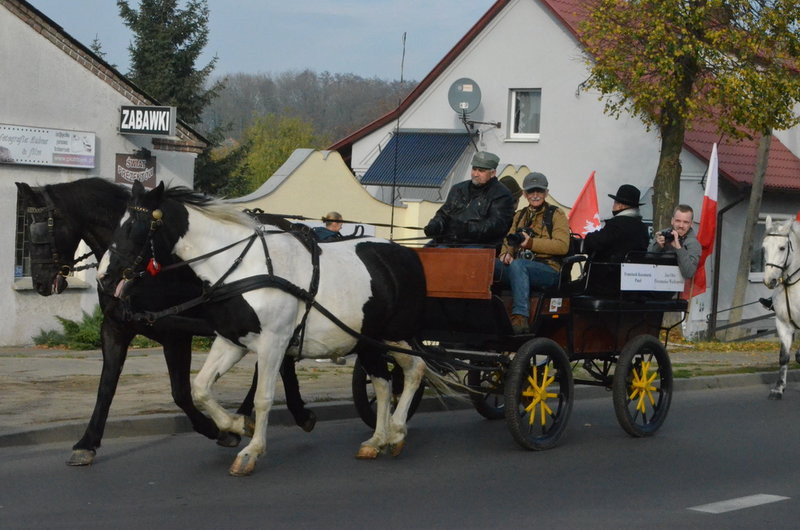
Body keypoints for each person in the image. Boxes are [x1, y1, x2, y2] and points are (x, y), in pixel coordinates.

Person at [495, 171, 570, 334]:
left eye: (539, 191)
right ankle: (486, 311)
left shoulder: (557, 214)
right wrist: (504, 254)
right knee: (490, 265)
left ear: (546, 193)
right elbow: (509, 240)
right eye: (531, 191)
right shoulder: (520, 215)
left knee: (518, 265)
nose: (535, 195)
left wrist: (531, 243)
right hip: (519, 267)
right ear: (524, 194)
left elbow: (562, 246)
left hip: (548, 269)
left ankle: (520, 317)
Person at [424, 151, 515, 247]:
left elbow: (496, 226)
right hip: (449, 240)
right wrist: (435, 225)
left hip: (480, 245)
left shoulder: (502, 195)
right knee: (422, 254)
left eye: (481, 171)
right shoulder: (458, 189)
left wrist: (467, 228)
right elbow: (444, 213)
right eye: (474, 169)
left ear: (492, 173)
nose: (475, 174)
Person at [583, 184, 650, 262]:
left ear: (620, 206)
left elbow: (599, 242)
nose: (613, 206)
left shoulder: (616, 224)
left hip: (611, 271)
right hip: (634, 272)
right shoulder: (642, 227)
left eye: (615, 203)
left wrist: (588, 238)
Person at [648, 204, 701, 279]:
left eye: (686, 222)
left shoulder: (694, 243)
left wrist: (679, 248)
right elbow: (647, 260)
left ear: (691, 224)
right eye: (678, 221)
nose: (681, 225)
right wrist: (658, 246)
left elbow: (689, 273)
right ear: (672, 221)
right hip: (656, 283)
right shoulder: (664, 234)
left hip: (679, 289)